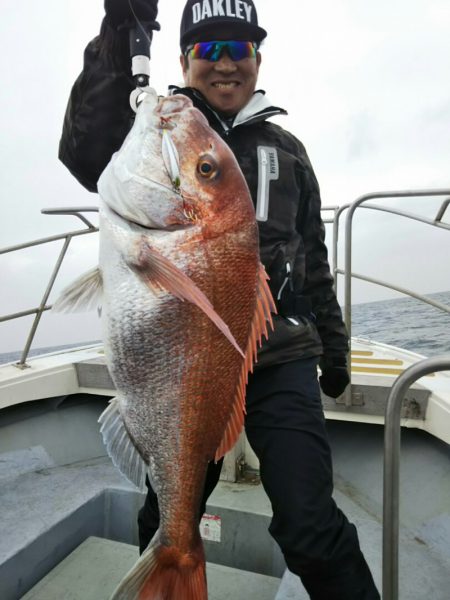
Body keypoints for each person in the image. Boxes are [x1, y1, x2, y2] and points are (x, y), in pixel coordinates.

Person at [59, 1, 380, 597]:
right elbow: (83, 146)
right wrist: (114, 39)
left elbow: (313, 257)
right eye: (208, 49)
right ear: (183, 60)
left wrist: (334, 349)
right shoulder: (152, 127)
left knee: (313, 528)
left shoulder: (290, 150)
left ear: (259, 60)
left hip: (281, 358)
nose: (225, 63)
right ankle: (170, 567)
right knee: (164, 516)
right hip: (189, 366)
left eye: (241, 49)